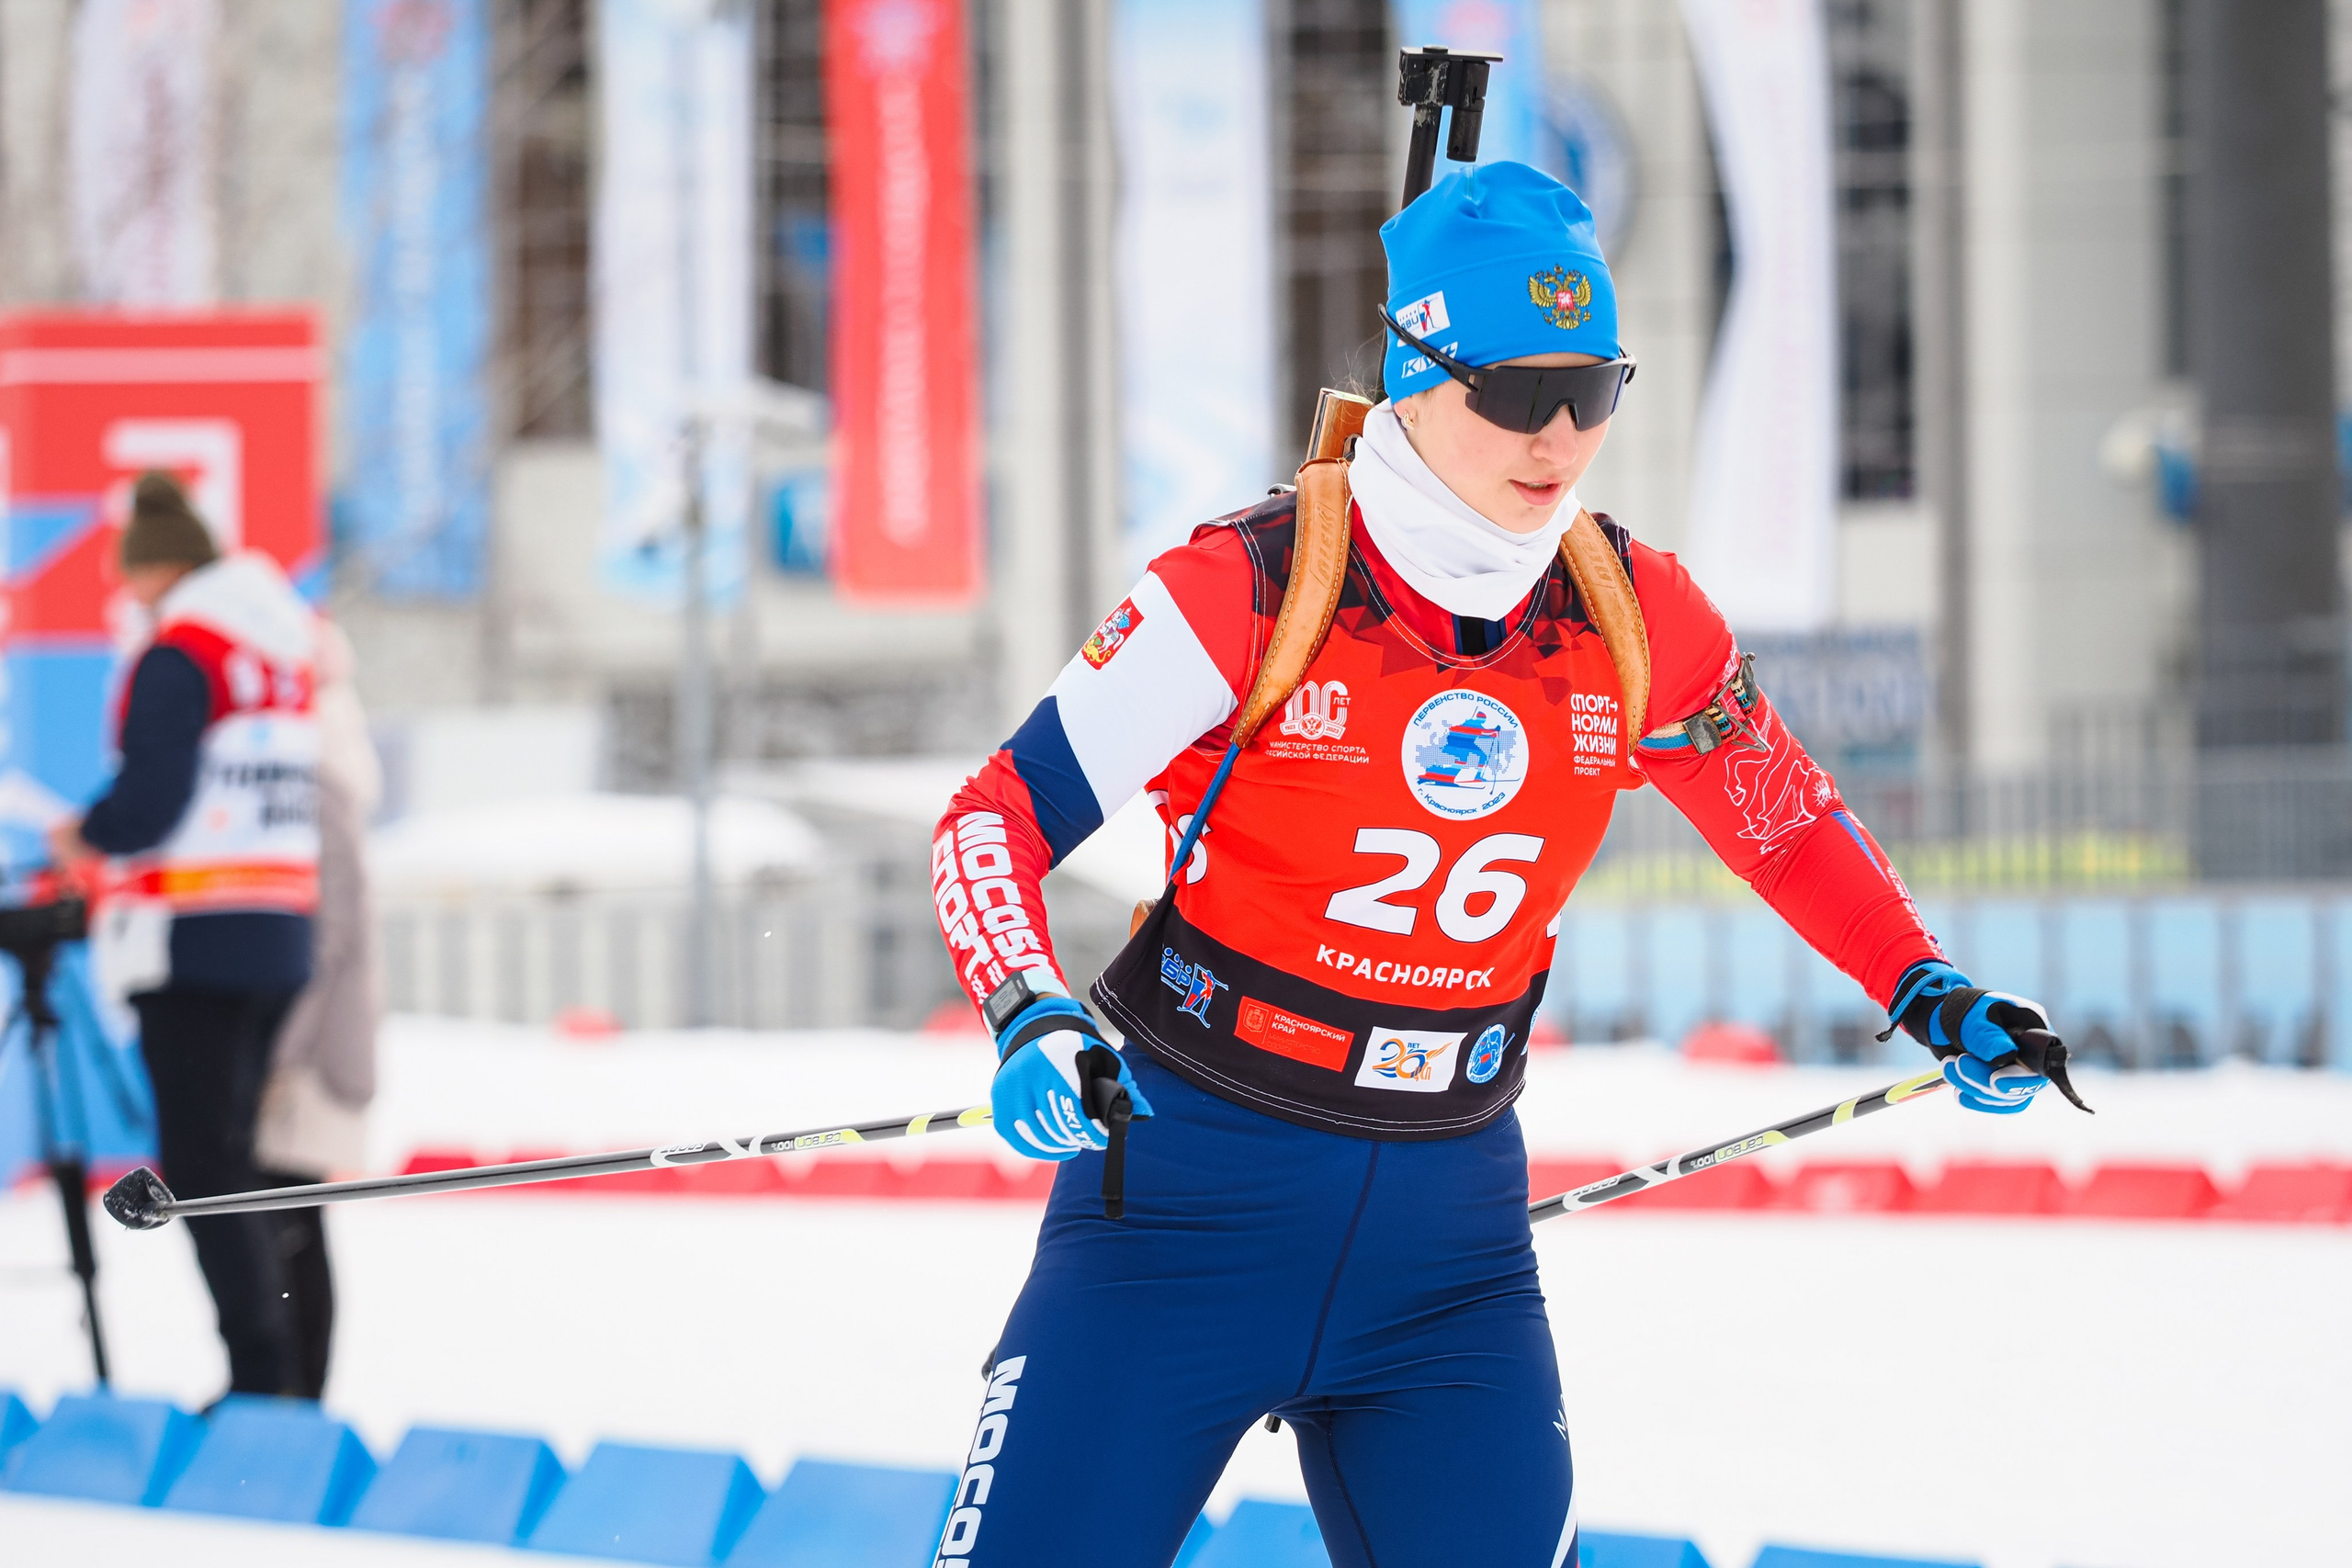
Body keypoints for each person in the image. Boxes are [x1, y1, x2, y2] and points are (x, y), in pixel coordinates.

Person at [927, 164, 2053, 1568]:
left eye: (1595, 388)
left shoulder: (1634, 609)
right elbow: (990, 817)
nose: (1562, 435)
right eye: (1518, 394)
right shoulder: (1254, 585)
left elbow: (1783, 818)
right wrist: (1029, 1009)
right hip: (1183, 1205)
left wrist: (1930, 984)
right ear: (1419, 370)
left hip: (1444, 1250)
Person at [50, 471, 320, 1400]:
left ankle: (259, 1380)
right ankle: (277, 1372)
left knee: (203, 1175)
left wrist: (85, 833)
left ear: (157, 568)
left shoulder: (182, 653)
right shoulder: (276, 650)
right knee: (236, 1165)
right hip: (276, 930)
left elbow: (152, 798)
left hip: (196, 939)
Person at [253, 616, 382, 1401]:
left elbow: (328, 934)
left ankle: (297, 1395)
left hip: (314, 1048)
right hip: (315, 1039)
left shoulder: (319, 773)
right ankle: (293, 1392)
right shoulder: (325, 762)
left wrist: (279, 1052)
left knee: (294, 1226)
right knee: (291, 1224)